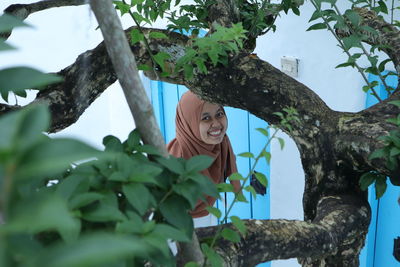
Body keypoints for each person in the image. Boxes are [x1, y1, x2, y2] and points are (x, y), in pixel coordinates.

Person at [167, 91, 241, 226]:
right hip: (177, 226)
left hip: (207, 217)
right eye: (206, 118)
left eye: (219, 114)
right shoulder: (177, 160)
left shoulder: (220, 145)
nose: (216, 124)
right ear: (189, 123)